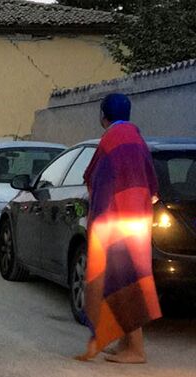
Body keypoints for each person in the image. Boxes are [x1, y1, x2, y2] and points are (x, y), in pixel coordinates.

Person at [76, 93, 161, 363]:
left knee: (122, 280)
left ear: (103, 115)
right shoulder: (137, 139)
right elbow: (151, 182)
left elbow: (99, 180)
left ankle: (136, 349)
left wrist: (96, 220)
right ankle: (125, 343)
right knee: (128, 277)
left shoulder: (111, 140)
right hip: (139, 219)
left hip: (117, 219)